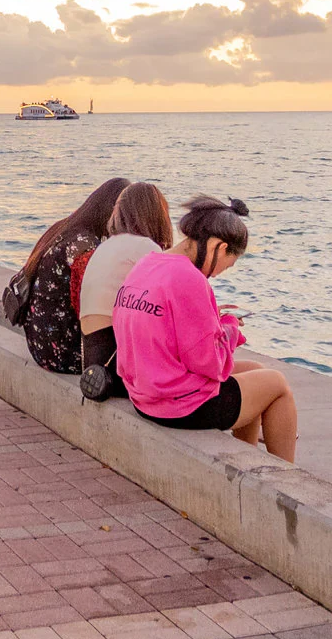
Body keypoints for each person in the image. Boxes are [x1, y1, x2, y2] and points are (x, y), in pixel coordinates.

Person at [114, 197, 297, 462]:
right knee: (277, 384)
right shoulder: (189, 278)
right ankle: (287, 481)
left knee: (257, 372)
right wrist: (230, 328)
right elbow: (210, 363)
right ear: (219, 247)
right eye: (227, 264)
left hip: (145, 393)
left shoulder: (147, 264)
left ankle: (245, 459)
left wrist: (213, 321)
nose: (218, 274)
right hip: (178, 405)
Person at [8, 177, 132, 374]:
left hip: (40, 344)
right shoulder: (83, 247)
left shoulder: (65, 229)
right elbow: (90, 306)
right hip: (64, 353)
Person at [79, 182, 174, 381]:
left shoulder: (107, 245)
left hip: (94, 358)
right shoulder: (144, 247)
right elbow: (170, 303)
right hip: (115, 363)